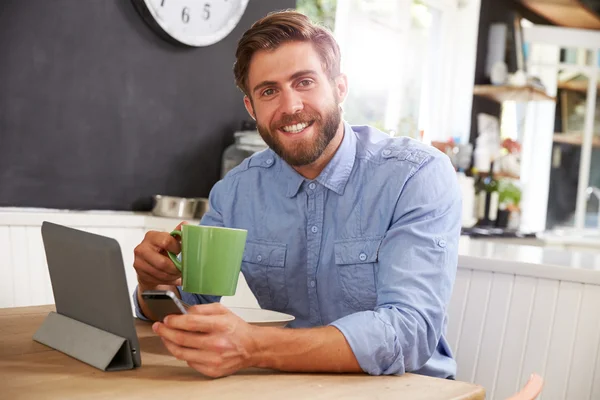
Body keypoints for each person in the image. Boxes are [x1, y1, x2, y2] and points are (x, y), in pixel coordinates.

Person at [133, 10, 461, 379]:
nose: (290, 107)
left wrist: (254, 346)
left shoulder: (415, 175)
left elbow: (410, 332)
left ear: (339, 88)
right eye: (269, 91)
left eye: (304, 82)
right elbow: (191, 310)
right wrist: (155, 285)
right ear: (251, 108)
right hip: (292, 386)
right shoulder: (236, 192)